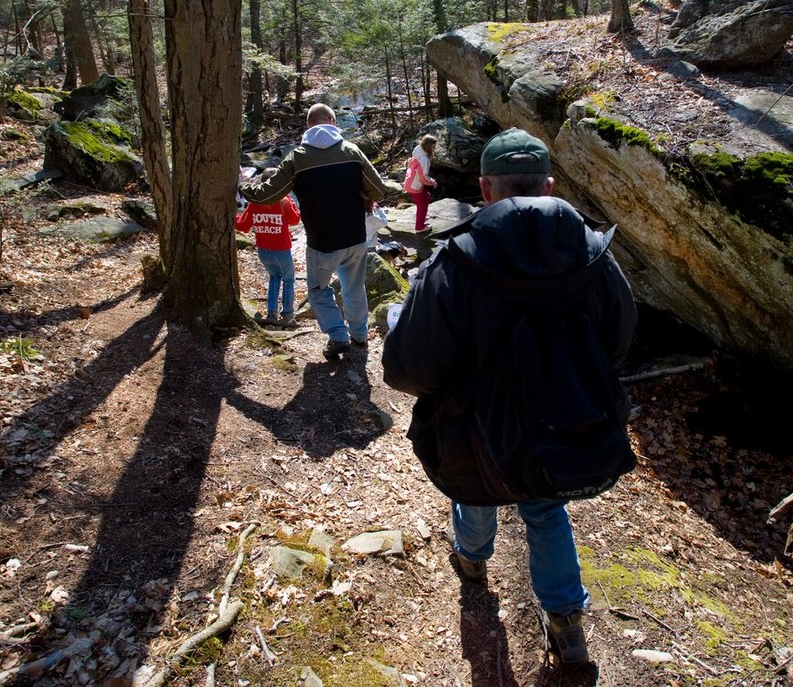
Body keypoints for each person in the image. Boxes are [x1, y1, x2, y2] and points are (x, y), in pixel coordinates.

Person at [382, 128, 637, 666]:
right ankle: (567, 621)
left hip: (476, 429)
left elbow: (408, 367)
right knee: (545, 511)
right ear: (548, 185)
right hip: (562, 426)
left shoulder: (454, 261)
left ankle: (473, 562)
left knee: (475, 492)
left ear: (485, 189)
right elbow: (618, 339)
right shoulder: (595, 254)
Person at [242, 103, 388, 360]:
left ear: (309, 125)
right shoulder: (352, 152)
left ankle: (337, 334)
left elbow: (269, 195)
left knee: (319, 291)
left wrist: (243, 188)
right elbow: (378, 188)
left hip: (322, 241)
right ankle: (360, 336)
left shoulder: (297, 158)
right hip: (355, 236)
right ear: (333, 121)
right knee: (354, 288)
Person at [235, 168, 302, 328]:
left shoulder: (254, 203)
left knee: (274, 277)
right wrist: (292, 203)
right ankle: (286, 314)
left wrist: (233, 216)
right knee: (288, 280)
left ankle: (271, 311)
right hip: (281, 250)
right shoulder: (284, 201)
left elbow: (243, 226)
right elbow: (295, 220)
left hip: (263, 251)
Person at [403, 134, 438, 232]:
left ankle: (422, 217)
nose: (434, 148)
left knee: (426, 196)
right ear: (429, 146)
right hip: (414, 186)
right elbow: (423, 177)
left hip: (411, 183)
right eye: (433, 146)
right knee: (422, 205)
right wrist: (432, 182)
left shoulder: (417, 153)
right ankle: (419, 227)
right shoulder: (424, 159)